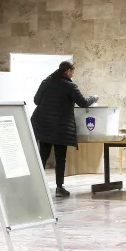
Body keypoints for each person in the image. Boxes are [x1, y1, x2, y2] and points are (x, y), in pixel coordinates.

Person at [32, 61, 98, 197]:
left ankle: (36, 187)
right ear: (67, 71)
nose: (73, 74)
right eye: (72, 72)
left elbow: (36, 100)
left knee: (42, 156)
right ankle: (59, 188)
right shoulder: (70, 86)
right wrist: (94, 98)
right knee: (60, 157)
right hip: (60, 128)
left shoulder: (47, 81)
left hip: (44, 125)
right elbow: (83, 102)